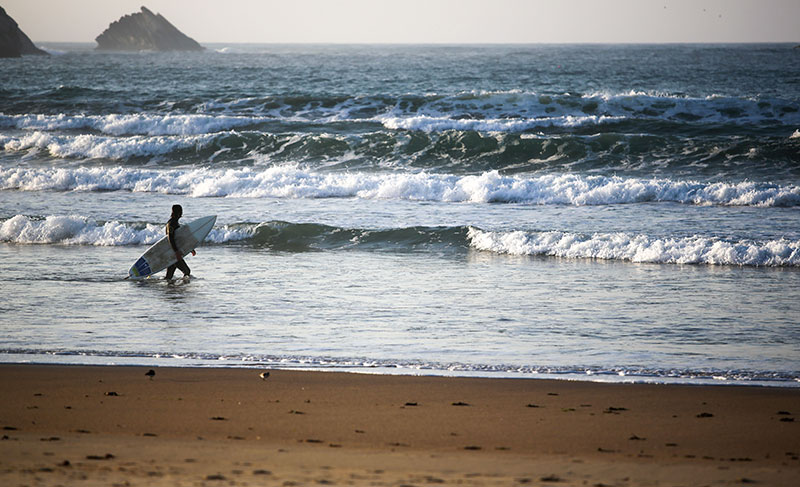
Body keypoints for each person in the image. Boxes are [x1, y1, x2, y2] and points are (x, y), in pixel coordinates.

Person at [165, 204, 194, 280]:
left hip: (173, 252)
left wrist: (190, 249)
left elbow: (180, 239)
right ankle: (182, 287)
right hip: (173, 253)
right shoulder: (171, 224)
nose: (181, 214)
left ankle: (170, 289)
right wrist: (176, 252)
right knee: (187, 271)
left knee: (169, 276)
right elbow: (170, 239)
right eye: (180, 211)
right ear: (176, 212)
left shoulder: (176, 223)